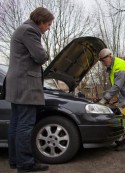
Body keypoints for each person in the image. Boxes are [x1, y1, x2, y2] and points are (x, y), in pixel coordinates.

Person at [5, 7, 54, 172]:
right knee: (25, 125)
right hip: (26, 85)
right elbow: (40, 56)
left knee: (17, 124)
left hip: (17, 85)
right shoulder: (30, 31)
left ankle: (15, 161)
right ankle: (25, 164)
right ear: (40, 21)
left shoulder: (23, 29)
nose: (49, 27)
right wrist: (47, 54)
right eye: (48, 24)